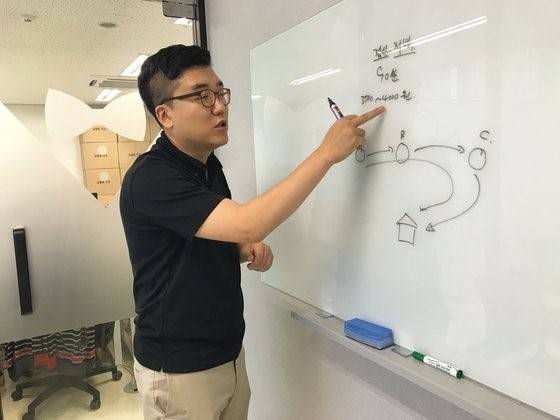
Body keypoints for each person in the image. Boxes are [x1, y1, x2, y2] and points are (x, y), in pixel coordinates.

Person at [120, 44, 385, 420]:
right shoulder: (151, 178)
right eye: (202, 96)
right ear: (165, 114)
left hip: (226, 354)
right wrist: (326, 153)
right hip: (178, 371)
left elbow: (201, 235)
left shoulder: (208, 165)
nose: (220, 106)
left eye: (220, 92)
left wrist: (238, 249)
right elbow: (248, 222)